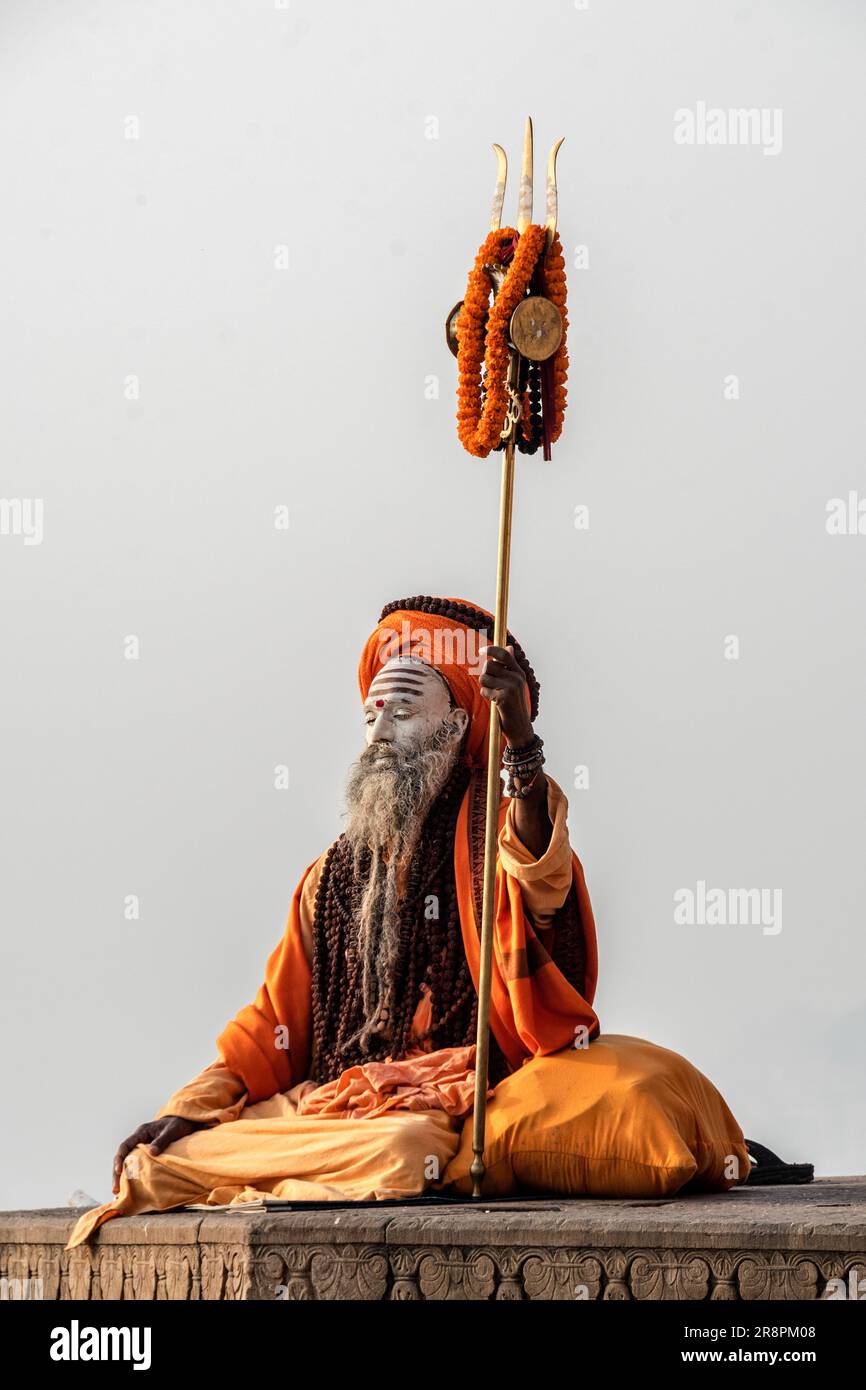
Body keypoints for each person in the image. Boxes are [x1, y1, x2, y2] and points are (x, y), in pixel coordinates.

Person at [67, 595, 600, 1249]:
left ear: (460, 724)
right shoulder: (332, 877)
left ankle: (299, 1179)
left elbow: (542, 878)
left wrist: (520, 741)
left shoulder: (491, 838)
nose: (378, 735)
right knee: (159, 1164)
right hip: (329, 1105)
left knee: (405, 1151)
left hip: (446, 1098)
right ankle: (280, 1174)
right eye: (372, 714)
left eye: (403, 712)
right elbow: (272, 1024)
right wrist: (188, 1110)